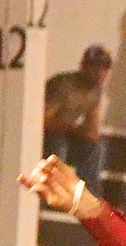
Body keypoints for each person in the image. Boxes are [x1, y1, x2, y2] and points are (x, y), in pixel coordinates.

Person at [43, 44, 112, 195]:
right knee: (58, 143)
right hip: (44, 139)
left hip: (67, 136)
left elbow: (92, 125)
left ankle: (87, 194)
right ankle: (54, 190)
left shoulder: (96, 91)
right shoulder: (64, 85)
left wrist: (90, 133)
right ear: (83, 66)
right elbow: (42, 121)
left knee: (97, 147)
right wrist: (75, 130)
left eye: (104, 68)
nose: (99, 73)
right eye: (94, 67)